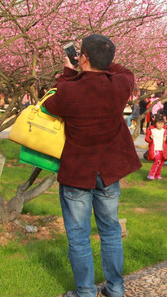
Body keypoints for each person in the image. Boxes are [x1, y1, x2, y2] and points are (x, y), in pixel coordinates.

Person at [43, 34, 142, 297]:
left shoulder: (68, 89)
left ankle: (85, 291)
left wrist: (68, 71)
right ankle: (115, 288)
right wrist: (99, 63)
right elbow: (126, 71)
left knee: (78, 235)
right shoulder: (120, 85)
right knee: (110, 230)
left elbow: (51, 106)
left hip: (78, 171)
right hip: (109, 171)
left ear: (82, 57)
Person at [144, 114, 167, 180]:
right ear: (155, 123)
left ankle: (157, 174)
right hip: (155, 149)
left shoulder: (165, 131)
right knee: (157, 161)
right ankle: (151, 174)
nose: (160, 125)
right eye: (159, 123)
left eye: (162, 123)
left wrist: (166, 139)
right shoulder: (152, 130)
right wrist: (150, 138)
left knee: (161, 163)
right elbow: (147, 139)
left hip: (163, 150)